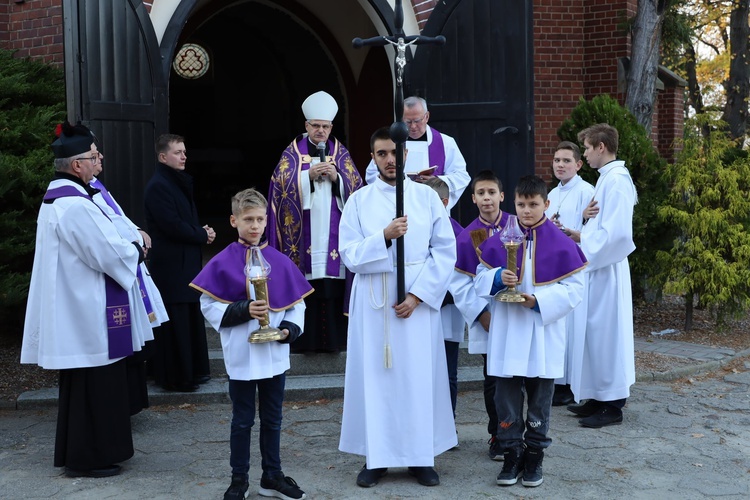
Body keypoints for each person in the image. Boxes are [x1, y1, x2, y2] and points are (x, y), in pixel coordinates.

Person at [21, 120, 152, 478]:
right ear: (77, 165)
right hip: (87, 313)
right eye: (94, 156)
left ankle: (84, 454)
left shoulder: (65, 198)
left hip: (81, 308)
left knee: (85, 390)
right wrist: (137, 248)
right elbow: (107, 253)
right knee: (94, 388)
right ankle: (89, 457)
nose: (99, 161)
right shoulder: (73, 205)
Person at [338, 127, 457, 488]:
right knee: (376, 381)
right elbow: (349, 254)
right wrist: (384, 237)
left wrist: (419, 296)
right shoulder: (359, 201)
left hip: (417, 304)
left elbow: (445, 250)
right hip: (375, 302)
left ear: (406, 155)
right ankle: (378, 457)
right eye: (382, 154)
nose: (390, 159)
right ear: (373, 158)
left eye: (395, 153)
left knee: (418, 379)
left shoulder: (426, 198)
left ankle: (420, 457)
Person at [190, 188, 312, 500]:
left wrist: (287, 330)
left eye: (259, 219)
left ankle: (271, 475)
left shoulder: (279, 261)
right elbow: (208, 304)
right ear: (234, 220)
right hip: (242, 352)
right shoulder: (222, 261)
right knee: (242, 420)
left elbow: (298, 304)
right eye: (248, 219)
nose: (255, 225)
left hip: (274, 352)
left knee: (273, 417)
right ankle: (239, 480)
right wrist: (243, 309)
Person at [474, 175, 587, 488]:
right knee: (506, 394)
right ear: (514, 203)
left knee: (540, 395)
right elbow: (478, 280)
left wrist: (538, 300)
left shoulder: (562, 244)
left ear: (546, 205)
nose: (526, 210)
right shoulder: (498, 240)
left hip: (541, 329)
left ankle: (535, 454)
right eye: (521, 204)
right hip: (509, 328)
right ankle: (511, 453)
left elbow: (575, 289)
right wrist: (498, 279)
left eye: (533, 204)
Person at [267, 90, 363, 354]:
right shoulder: (292, 155)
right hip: (303, 235)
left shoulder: (341, 154)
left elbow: (357, 188)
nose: (321, 131)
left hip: (334, 234)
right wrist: (306, 177)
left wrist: (338, 179)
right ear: (306, 126)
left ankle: (334, 342)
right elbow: (279, 187)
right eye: (316, 126)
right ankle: (305, 342)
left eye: (325, 126)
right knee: (307, 286)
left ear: (331, 127)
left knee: (331, 287)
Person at [566, 123, 638, 428]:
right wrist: (581, 233)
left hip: (606, 268)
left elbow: (619, 234)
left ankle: (613, 404)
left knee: (607, 334)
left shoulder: (617, 181)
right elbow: (602, 226)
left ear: (600, 147)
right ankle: (596, 395)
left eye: (586, 147)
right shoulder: (606, 179)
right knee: (594, 334)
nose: (584, 153)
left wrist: (584, 245)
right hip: (596, 267)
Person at [90, 149, 170, 415]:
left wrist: (136, 231)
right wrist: (134, 242)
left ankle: (133, 402)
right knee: (125, 339)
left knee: (137, 337)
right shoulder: (81, 195)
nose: (101, 157)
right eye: (93, 154)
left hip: (130, 261)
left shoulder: (98, 186)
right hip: (119, 266)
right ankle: (124, 405)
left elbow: (119, 218)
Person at [144, 133, 214, 392]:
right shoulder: (159, 185)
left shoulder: (175, 181)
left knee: (187, 318)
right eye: (178, 152)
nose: (184, 156)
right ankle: (177, 377)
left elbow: (182, 219)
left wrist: (200, 231)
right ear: (163, 157)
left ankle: (192, 372)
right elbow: (171, 225)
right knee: (176, 320)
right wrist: (201, 234)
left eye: (184, 151)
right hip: (171, 266)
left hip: (184, 263)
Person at [452, 169, 508, 461]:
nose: (487, 199)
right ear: (473, 198)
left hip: (518, 313)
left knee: (519, 376)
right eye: (481, 193)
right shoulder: (467, 236)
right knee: (494, 378)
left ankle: (517, 432)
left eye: (492, 192)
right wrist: (481, 315)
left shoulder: (517, 225)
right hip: (488, 319)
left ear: (502, 195)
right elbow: (459, 283)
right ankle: (498, 434)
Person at [544, 141, 595, 406]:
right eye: (556, 160)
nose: (560, 165)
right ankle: (558, 382)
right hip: (554, 267)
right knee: (559, 326)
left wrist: (581, 222)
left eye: (566, 160)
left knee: (575, 328)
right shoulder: (551, 193)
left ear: (578, 164)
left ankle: (572, 384)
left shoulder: (588, 191)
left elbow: (592, 229)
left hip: (575, 265)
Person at [364, 96, 470, 210]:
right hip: (397, 206)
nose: (413, 127)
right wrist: (396, 183)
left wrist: (437, 181)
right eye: (408, 122)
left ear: (427, 116)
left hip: (431, 207)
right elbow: (371, 174)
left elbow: (462, 177)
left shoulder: (445, 143)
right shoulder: (392, 142)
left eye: (417, 121)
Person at [424, 176, 464, 443]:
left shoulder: (460, 232)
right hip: (421, 309)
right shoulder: (415, 226)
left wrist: (439, 294)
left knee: (447, 372)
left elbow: (463, 274)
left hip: (446, 310)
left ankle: (447, 425)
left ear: (445, 202)